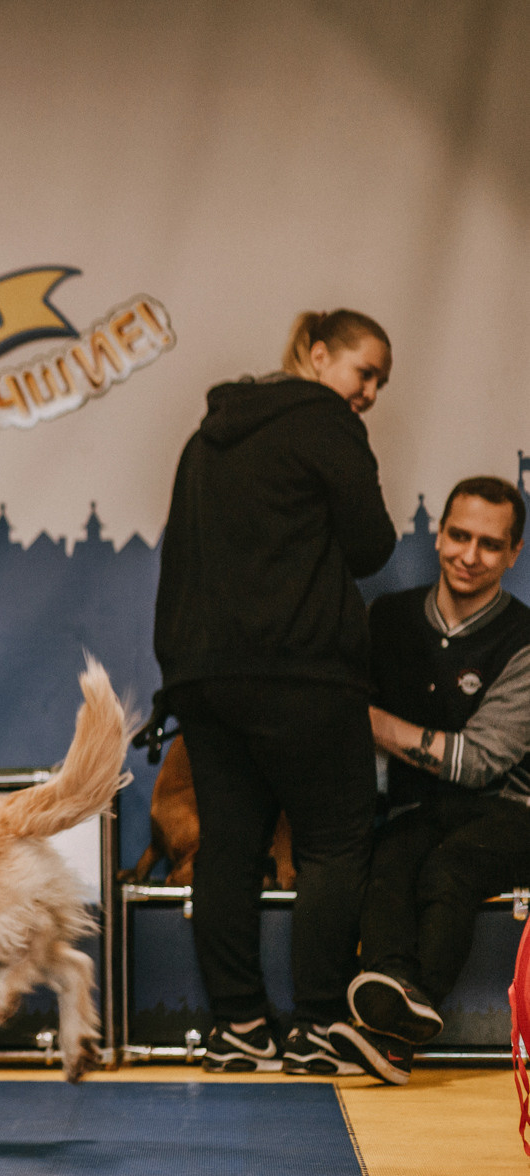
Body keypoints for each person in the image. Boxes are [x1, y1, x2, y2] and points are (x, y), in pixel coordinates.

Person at [152, 309, 397, 1074]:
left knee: (230, 843)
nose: (371, 393)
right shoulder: (324, 424)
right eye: (366, 372)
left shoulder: (207, 436)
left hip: (202, 674)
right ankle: (320, 1026)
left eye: (380, 381)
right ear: (318, 355)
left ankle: (238, 1029)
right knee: (334, 840)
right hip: (300, 670)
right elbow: (371, 545)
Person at [329, 477, 530, 1084]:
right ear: (438, 534)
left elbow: (480, 762)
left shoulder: (526, 638)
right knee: (387, 864)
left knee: (450, 870)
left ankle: (401, 1013)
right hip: (416, 807)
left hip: (509, 811)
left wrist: (370, 721)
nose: (470, 556)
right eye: (459, 536)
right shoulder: (386, 618)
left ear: (514, 554)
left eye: (490, 545)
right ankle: (392, 1033)